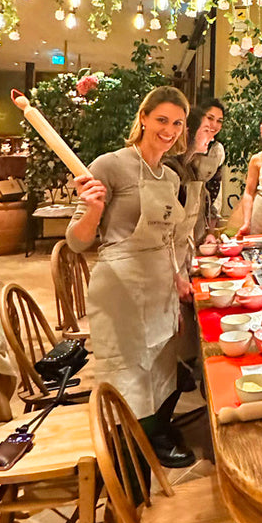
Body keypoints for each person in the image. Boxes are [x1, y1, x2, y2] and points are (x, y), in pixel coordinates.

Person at [67, 86, 198, 468]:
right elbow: (76, 241)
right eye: (162, 120)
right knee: (131, 370)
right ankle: (133, 446)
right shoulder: (110, 165)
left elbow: (169, 238)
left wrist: (178, 277)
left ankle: (158, 431)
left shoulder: (170, 177)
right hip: (120, 286)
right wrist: (93, 210)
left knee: (161, 364)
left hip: (159, 284)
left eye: (177, 123)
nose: (169, 130)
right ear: (143, 118)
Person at [164, 98, 225, 252]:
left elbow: (208, 199)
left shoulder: (191, 168)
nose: (212, 136)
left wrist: (207, 234)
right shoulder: (169, 169)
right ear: (188, 132)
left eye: (219, 121)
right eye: (206, 129)